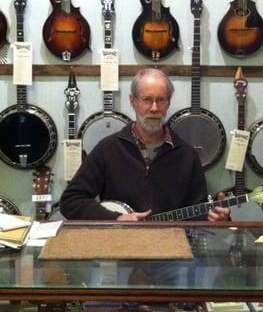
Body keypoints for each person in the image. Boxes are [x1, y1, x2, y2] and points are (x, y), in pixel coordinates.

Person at [60, 68, 230, 222]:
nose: (154, 108)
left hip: (171, 250)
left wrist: (216, 218)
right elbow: (71, 201)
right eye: (147, 100)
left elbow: (197, 213)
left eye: (161, 100)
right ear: (133, 101)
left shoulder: (187, 155)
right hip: (120, 248)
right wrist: (116, 218)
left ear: (168, 103)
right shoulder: (108, 148)